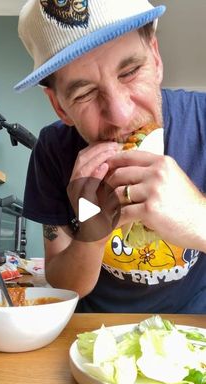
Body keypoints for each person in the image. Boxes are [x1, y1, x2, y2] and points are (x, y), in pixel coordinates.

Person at [15, 0, 206, 313]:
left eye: (130, 72)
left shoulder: (202, 120)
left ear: (156, 59)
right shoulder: (52, 150)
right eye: (85, 93)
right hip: (93, 336)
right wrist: (91, 231)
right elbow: (64, 286)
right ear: (59, 106)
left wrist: (197, 216)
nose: (119, 115)